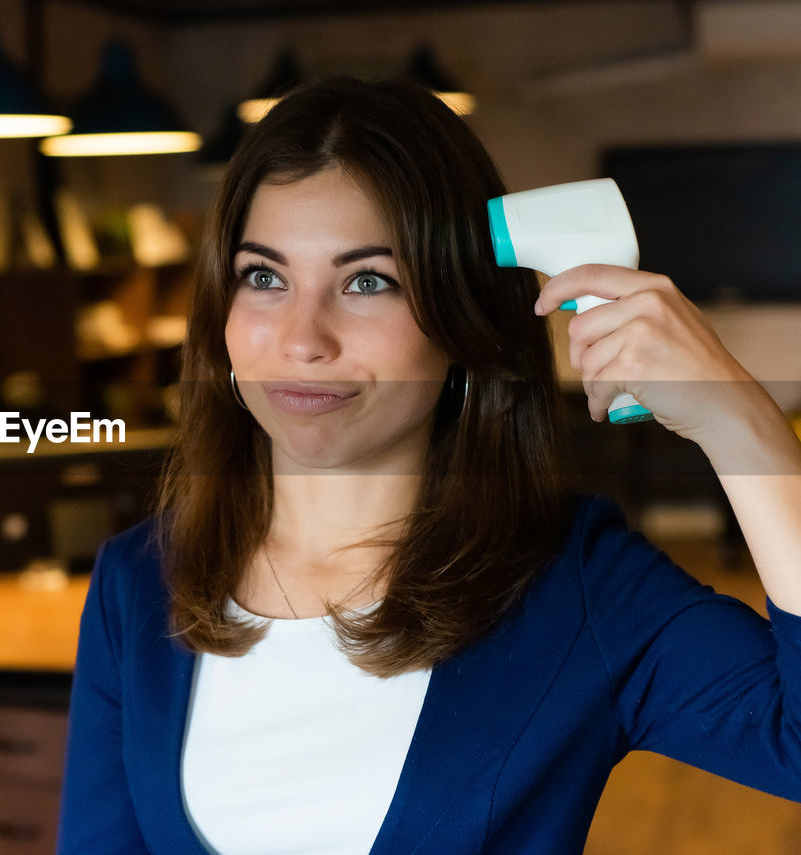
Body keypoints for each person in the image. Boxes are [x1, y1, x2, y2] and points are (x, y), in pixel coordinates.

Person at [55, 76, 801, 855]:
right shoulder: (136, 584)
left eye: (368, 281)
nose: (304, 340)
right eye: (264, 276)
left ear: (462, 318)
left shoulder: (577, 588)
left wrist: (742, 423)